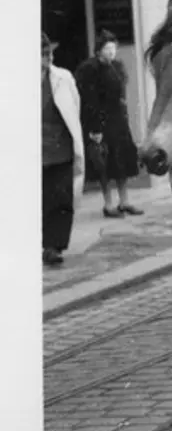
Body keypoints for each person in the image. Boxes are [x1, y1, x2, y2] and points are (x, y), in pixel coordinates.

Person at [75, 29, 143, 219]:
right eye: (107, 48)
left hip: (118, 120)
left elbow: (120, 94)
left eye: (113, 47)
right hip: (101, 122)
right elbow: (89, 100)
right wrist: (95, 127)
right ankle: (108, 203)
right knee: (104, 163)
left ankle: (124, 201)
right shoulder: (90, 69)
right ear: (99, 50)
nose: (111, 51)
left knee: (122, 160)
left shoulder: (116, 67)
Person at [42, 32, 84, 267]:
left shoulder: (63, 77)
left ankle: (53, 246)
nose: (47, 57)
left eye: (49, 53)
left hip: (60, 149)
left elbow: (74, 106)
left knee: (60, 199)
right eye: (42, 54)